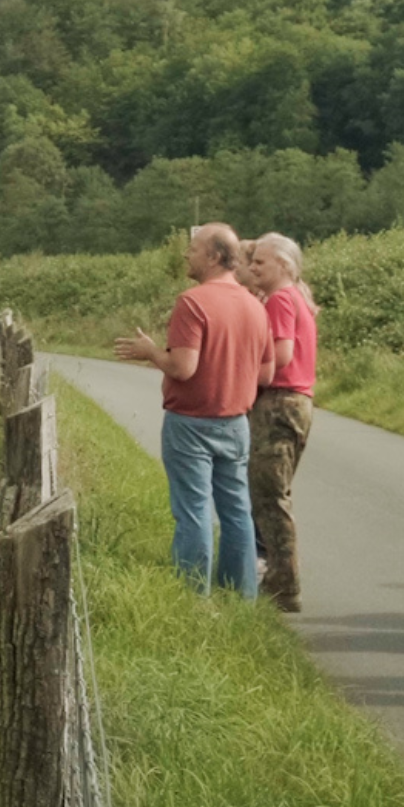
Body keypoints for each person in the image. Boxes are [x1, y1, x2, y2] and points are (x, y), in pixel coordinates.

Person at [117, 224, 269, 597]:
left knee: (194, 510)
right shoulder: (254, 303)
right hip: (236, 422)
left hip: (191, 422)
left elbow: (183, 367)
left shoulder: (193, 301)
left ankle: (193, 595)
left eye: (193, 249)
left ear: (214, 256)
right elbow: (267, 371)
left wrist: (151, 351)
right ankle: (240, 595)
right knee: (236, 511)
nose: (187, 255)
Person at [245, 233, 319, 612]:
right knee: (273, 492)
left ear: (284, 265)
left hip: (278, 402)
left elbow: (281, 355)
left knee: (268, 496)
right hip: (298, 403)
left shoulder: (279, 300)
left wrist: (242, 371)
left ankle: (283, 583)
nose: (253, 267)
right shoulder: (297, 297)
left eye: (260, 262)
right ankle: (280, 576)